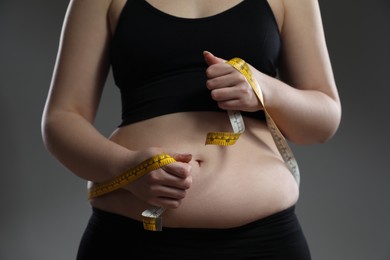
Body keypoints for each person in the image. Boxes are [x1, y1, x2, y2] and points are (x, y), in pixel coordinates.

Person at [41, 0, 341, 259]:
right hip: (130, 239)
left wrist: (266, 90)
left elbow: (322, 122)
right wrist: (126, 169)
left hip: (263, 242)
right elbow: (61, 119)